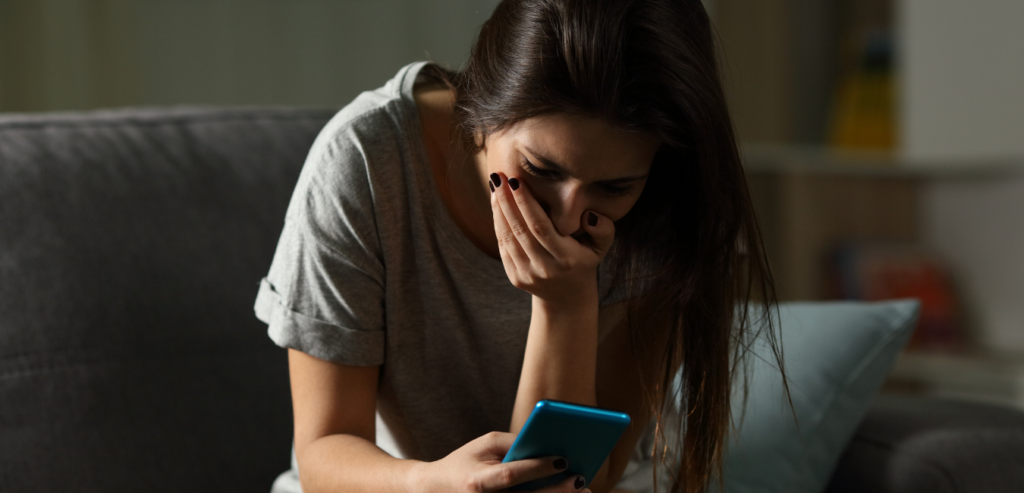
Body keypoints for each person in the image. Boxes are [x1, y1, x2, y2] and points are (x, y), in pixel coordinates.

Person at [254, 0, 782, 492]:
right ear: (480, 111)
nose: (568, 214)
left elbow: (572, 480)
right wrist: (431, 483)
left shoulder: (674, 202)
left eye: (614, 188)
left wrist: (567, 306)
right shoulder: (366, 164)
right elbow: (324, 450)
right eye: (540, 169)